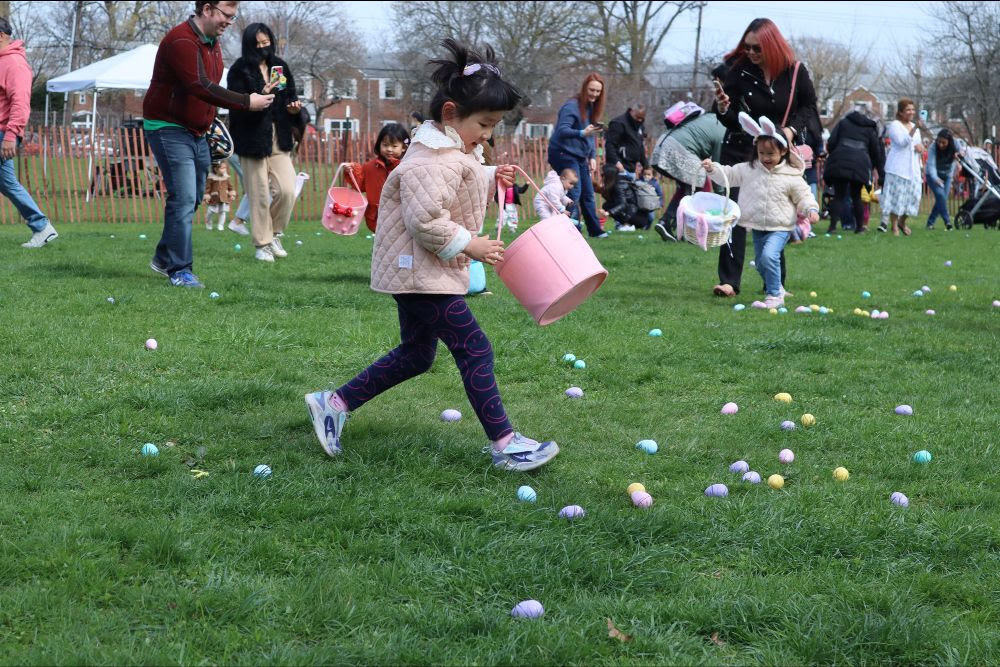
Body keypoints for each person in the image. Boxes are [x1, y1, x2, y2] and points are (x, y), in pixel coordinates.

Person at [304, 39, 558, 472]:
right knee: (475, 348)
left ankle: (333, 403)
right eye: (485, 123)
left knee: (418, 354)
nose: (489, 134)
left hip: (418, 271)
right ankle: (505, 442)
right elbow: (427, 221)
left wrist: (491, 172)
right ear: (449, 114)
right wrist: (471, 245)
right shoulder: (429, 159)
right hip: (418, 271)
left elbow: (458, 176)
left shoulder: (449, 149)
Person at [144, 1, 273, 287]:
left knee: (194, 195)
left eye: (233, 15)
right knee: (184, 197)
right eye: (226, 15)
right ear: (206, 9)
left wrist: (210, 122)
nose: (230, 21)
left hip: (198, 131)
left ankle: (164, 256)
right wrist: (246, 102)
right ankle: (180, 270)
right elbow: (199, 86)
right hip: (168, 127)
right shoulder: (181, 40)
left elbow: (207, 91)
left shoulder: (213, 42)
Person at [710, 18, 821, 298]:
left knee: (775, 213)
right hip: (741, 149)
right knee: (733, 214)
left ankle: (775, 284)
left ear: (772, 46)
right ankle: (729, 281)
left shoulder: (795, 72)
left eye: (757, 48)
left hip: (776, 154)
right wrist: (723, 108)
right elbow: (729, 115)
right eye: (747, 48)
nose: (751, 53)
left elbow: (809, 106)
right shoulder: (739, 72)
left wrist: (791, 130)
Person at [702, 113, 818, 309]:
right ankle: (778, 288)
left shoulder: (790, 174)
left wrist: (811, 209)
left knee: (768, 256)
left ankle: (773, 296)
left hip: (780, 227)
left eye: (770, 154)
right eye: (761, 153)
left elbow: (804, 195)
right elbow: (728, 175)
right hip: (756, 225)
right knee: (761, 262)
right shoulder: (749, 169)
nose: (765, 158)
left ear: (782, 151)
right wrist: (712, 169)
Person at [227, 22, 303, 263]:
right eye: (258, 44)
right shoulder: (239, 70)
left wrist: (294, 109)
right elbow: (237, 109)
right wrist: (259, 96)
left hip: (279, 137)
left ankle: (275, 234)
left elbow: (290, 96)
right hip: (251, 139)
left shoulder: (279, 66)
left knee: (287, 190)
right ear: (249, 45)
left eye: (266, 42)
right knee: (258, 193)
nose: (263, 47)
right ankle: (262, 244)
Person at [0, 17, 57, 248]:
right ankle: (42, 226)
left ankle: (42, 226)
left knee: (9, 183)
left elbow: (21, 103)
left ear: (1, 36)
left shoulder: (15, 64)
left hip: (3, 133)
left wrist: (11, 136)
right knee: (7, 183)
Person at [650, 110, 726, 241]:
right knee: (700, 189)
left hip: (662, 144)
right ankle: (687, 228)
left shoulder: (708, 116)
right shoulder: (723, 129)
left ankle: (670, 223)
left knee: (687, 188)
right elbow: (716, 168)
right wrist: (722, 196)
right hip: (679, 148)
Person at [548, 73, 608, 238]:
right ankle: (568, 229)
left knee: (588, 193)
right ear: (584, 88)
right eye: (591, 90)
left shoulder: (590, 108)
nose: (594, 94)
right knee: (575, 191)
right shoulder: (571, 106)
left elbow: (591, 135)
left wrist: (593, 156)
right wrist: (582, 132)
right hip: (562, 153)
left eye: (597, 91)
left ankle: (595, 231)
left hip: (579, 155)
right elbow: (562, 130)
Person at [822, 109, 885, 233]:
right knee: (857, 196)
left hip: (840, 160)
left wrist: (835, 152)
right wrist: (880, 173)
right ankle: (859, 228)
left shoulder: (843, 123)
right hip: (860, 163)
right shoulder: (870, 129)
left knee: (839, 195)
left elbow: (831, 142)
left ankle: (832, 227)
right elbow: (876, 152)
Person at [347, 122, 409, 233]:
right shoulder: (369, 167)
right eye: (385, 145)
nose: (389, 149)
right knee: (381, 248)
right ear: (379, 144)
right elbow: (360, 185)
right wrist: (351, 171)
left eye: (394, 146)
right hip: (376, 218)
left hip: (401, 217)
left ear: (403, 147)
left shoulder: (406, 168)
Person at [878, 99, 924, 236]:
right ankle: (894, 226)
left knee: (914, 197)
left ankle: (902, 221)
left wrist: (920, 147)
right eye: (908, 110)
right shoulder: (894, 125)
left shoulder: (914, 126)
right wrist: (915, 129)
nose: (911, 112)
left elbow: (917, 143)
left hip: (913, 168)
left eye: (912, 109)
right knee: (896, 198)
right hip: (898, 168)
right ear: (900, 112)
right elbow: (901, 142)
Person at [925, 128, 963, 230]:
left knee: (942, 199)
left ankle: (930, 223)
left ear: (949, 141)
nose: (940, 144)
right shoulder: (933, 147)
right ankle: (947, 222)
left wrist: (959, 155)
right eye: (939, 142)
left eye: (943, 142)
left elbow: (963, 151)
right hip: (932, 176)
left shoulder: (955, 143)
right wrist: (935, 178)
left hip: (947, 176)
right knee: (941, 196)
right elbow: (931, 165)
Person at [604, 104, 648, 174]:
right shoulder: (618, 123)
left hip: (632, 168)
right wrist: (616, 162)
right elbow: (610, 144)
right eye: (637, 117)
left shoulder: (640, 126)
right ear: (631, 111)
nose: (639, 120)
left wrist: (646, 165)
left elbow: (640, 146)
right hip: (618, 168)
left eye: (641, 118)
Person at [202, 160, 236, 230]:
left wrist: (231, 195)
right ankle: (209, 224)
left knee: (223, 212)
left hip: (223, 198)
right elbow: (207, 188)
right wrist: (206, 196)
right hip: (214, 199)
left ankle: (220, 225)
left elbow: (230, 187)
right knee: (210, 212)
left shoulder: (226, 177)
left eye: (225, 168)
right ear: (216, 169)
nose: (224, 170)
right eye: (222, 168)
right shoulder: (211, 178)